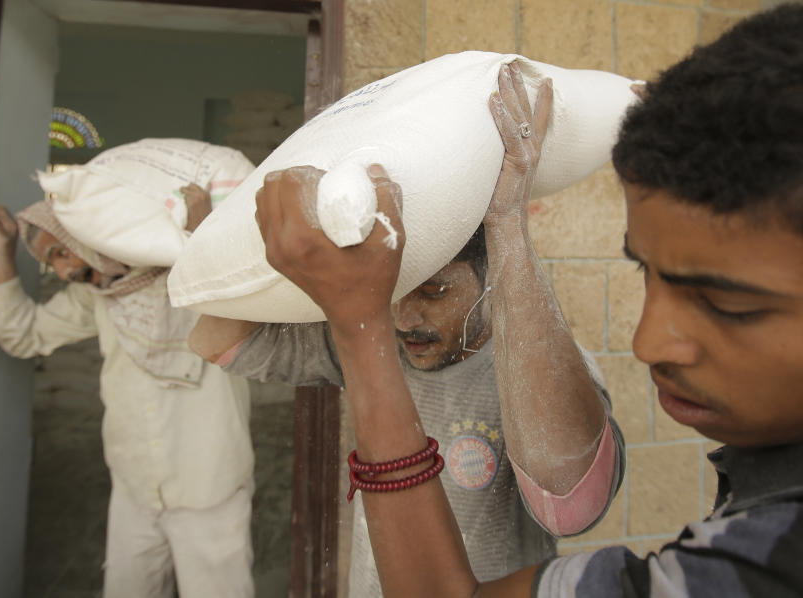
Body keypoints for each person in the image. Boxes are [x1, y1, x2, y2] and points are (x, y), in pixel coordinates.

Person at [249, 0, 803, 597]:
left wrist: (360, 324)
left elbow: (566, 510)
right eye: (646, 273)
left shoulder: (767, 564)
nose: (647, 342)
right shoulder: (767, 499)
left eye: (729, 305)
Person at [190, 62, 626, 597]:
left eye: (434, 291)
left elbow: (570, 503)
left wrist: (507, 223)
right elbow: (212, 340)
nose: (403, 319)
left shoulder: (553, 371)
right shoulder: (377, 337)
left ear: (491, 283)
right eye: (392, 295)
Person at [0, 180, 255, 598]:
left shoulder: (189, 276)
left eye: (60, 252)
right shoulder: (98, 298)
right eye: (53, 264)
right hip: (135, 488)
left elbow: (232, 286)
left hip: (209, 486)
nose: (65, 271)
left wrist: (201, 237)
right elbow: (22, 333)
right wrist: (1, 253)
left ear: (83, 240)